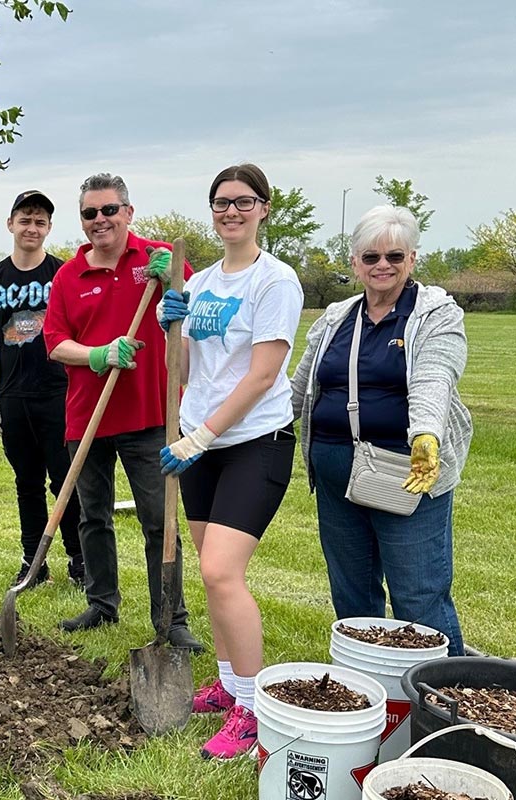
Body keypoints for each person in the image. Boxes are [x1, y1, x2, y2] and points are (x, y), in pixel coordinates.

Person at [157, 164, 303, 759]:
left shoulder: (276, 281)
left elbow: (263, 374)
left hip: (254, 444)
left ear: (264, 209)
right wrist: (175, 330)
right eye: (221, 203)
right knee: (211, 574)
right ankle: (227, 683)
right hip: (201, 444)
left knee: (221, 572)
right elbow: (193, 373)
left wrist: (204, 435)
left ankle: (253, 712)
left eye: (244, 202)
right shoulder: (204, 281)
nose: (231, 212)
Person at [291, 205, 470, 656]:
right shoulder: (335, 318)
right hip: (334, 475)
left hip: (406, 473)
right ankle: (368, 695)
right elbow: (299, 390)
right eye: (371, 258)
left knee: (418, 598)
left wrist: (425, 433)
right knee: (352, 599)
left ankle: (442, 701)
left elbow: (435, 376)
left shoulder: (435, 315)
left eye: (394, 256)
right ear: (355, 264)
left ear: (412, 259)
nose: (382, 266)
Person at [43, 172, 201, 651]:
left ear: (128, 213)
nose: (99, 220)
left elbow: (188, 317)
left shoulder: (157, 261)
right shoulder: (69, 275)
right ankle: (102, 602)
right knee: (93, 516)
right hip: (86, 415)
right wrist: (96, 354)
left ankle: (171, 617)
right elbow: (54, 343)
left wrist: (172, 280)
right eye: (90, 213)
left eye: (109, 210)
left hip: (150, 414)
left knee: (159, 519)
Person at [0, 190, 84, 588]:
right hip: (14, 396)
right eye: (25, 219)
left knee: (65, 479)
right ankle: (33, 563)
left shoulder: (65, 274)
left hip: (59, 392)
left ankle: (78, 558)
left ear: (49, 228)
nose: (32, 228)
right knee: (26, 481)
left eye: (40, 221)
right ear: (11, 224)